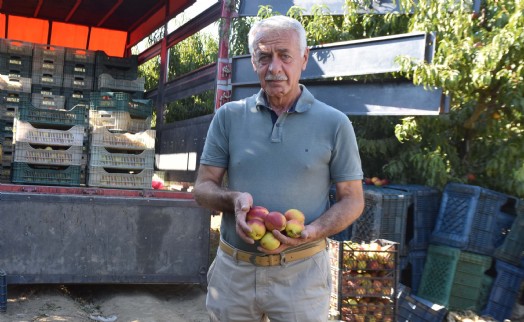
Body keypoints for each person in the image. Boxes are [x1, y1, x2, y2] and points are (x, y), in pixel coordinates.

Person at [193, 15, 365, 322]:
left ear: (304, 58)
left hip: (301, 275)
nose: (274, 68)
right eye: (264, 57)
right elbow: (203, 188)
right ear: (254, 62)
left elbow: (353, 199)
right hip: (235, 273)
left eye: (284, 56)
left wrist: (312, 232)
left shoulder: (335, 124)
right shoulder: (229, 117)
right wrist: (233, 200)